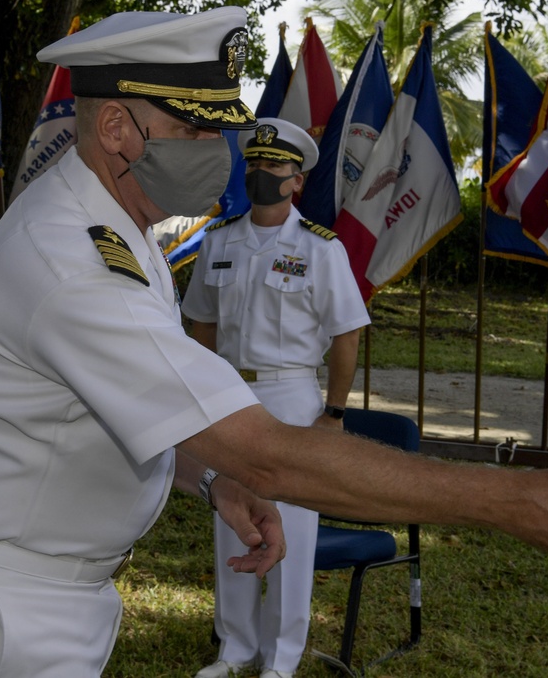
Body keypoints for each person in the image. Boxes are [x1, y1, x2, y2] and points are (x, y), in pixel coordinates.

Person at [0, 6, 548, 678]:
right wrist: (507, 501)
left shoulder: (121, 230)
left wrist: (209, 479)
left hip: (40, 592)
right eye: (196, 132)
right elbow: (268, 457)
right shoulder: (73, 261)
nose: (221, 153)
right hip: (2, 610)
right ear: (116, 126)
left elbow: (116, 409)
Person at [183, 118, 370, 678]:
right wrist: (206, 391)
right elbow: (201, 324)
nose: (262, 173)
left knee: (292, 521)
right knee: (232, 515)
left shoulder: (320, 249)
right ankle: (235, 648)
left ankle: (280, 659)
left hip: (292, 395)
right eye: (256, 164)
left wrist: (333, 412)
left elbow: (346, 333)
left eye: (275, 167)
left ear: (297, 180)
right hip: (231, 393)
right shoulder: (219, 241)